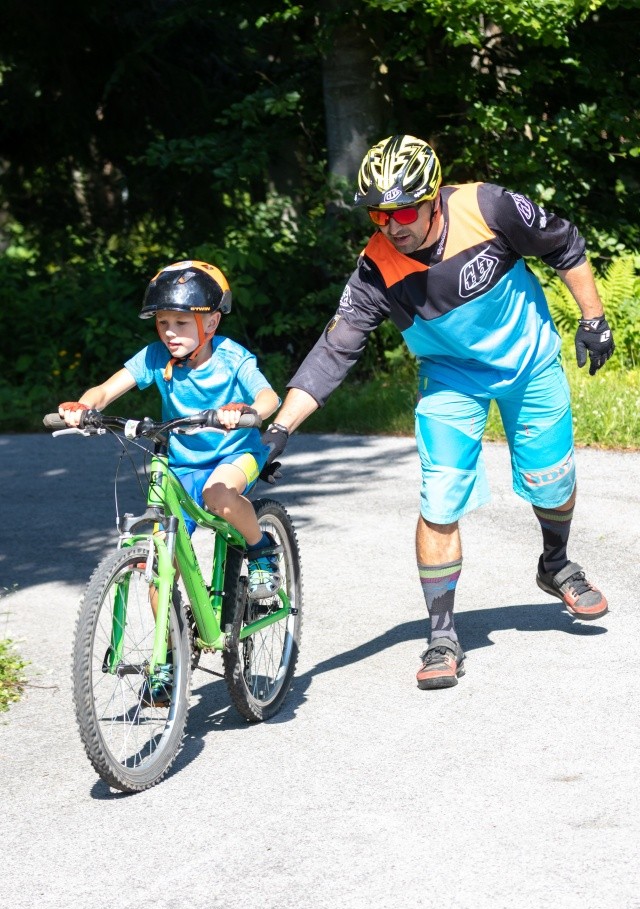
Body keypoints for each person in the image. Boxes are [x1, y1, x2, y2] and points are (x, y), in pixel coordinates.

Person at [262, 134, 614, 691]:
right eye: (379, 214)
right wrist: (280, 426)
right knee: (440, 498)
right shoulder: (376, 268)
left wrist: (593, 319)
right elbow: (335, 350)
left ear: (433, 198)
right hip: (450, 377)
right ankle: (443, 635)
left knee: (552, 482)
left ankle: (556, 564)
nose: (392, 225)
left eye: (404, 211)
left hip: (529, 361)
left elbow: (564, 245)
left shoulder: (489, 207)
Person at [58, 259, 282, 601]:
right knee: (160, 565)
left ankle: (260, 548)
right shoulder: (155, 356)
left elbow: (269, 397)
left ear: (211, 322)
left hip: (236, 453)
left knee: (218, 496)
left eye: (181, 322)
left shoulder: (232, 357)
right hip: (180, 464)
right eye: (162, 322)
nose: (170, 332)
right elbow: (104, 391)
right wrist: (83, 406)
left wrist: (247, 411)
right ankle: (173, 635)